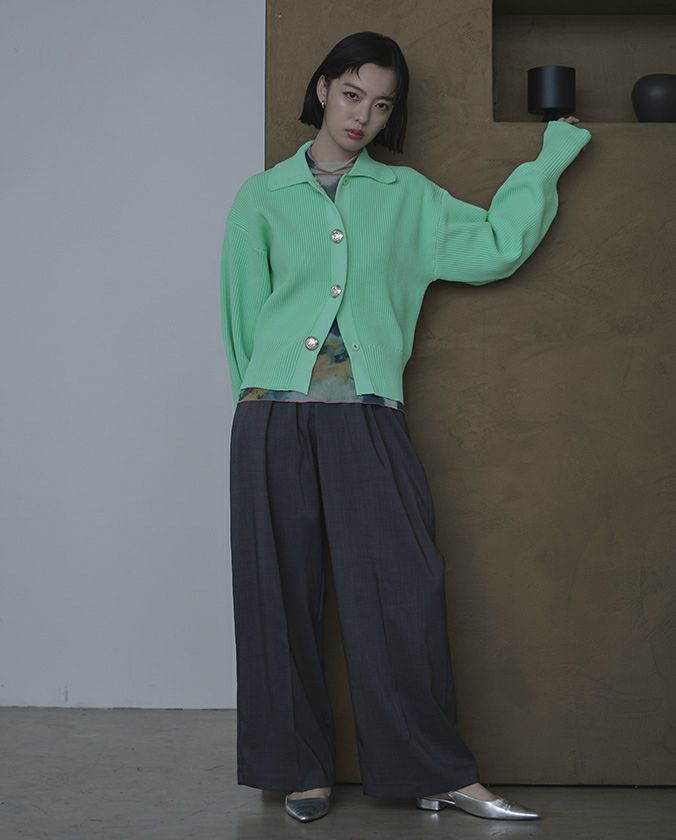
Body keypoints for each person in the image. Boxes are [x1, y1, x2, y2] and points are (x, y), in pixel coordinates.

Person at [220, 31, 591, 824]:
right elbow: (240, 316)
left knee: (402, 589)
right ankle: (298, 770)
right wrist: (256, 404)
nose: (363, 115)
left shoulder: (407, 195)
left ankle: (434, 770)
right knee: (275, 598)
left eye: (382, 105)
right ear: (324, 89)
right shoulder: (262, 196)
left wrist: (549, 159)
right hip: (271, 417)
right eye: (353, 94)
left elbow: (497, 246)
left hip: (368, 415)